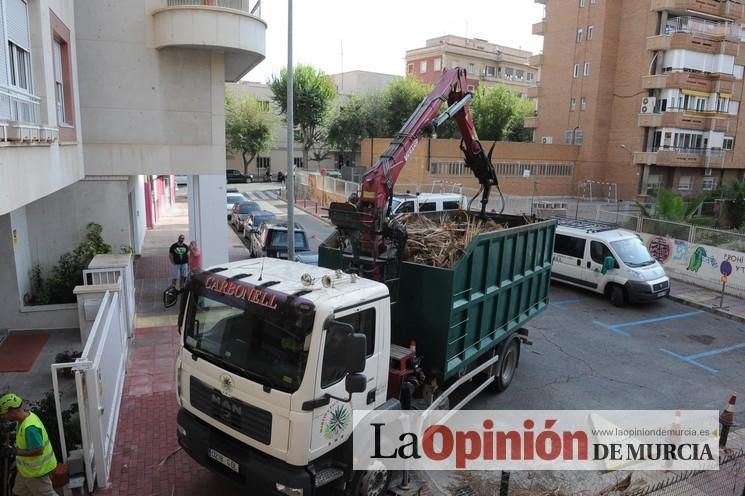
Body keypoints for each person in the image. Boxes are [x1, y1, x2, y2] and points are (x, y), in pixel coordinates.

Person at [0, 393, 58, 496]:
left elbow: (38, 450)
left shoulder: (30, 428)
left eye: (4, 414)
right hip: (25, 472)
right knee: (17, 493)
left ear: (12, 411)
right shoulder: (24, 418)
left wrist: (14, 452)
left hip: (37, 474)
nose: (3, 417)